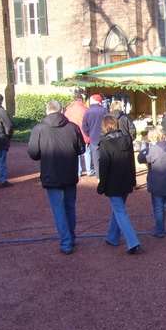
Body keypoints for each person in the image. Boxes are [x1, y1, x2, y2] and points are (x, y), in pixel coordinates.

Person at [27, 100, 85, 255]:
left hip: (50, 173)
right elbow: (81, 149)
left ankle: (66, 241)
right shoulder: (72, 127)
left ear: (47, 110)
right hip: (69, 173)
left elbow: (33, 153)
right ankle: (70, 238)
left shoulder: (39, 129)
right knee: (70, 207)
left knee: (59, 209)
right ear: (61, 110)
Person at [97, 115, 142, 255]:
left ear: (104, 127)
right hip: (126, 180)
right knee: (118, 209)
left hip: (113, 183)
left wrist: (101, 185)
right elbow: (131, 162)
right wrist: (133, 180)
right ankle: (112, 237)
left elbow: (104, 167)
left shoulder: (104, 143)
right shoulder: (127, 139)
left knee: (120, 211)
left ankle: (132, 241)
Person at [64, 90, 92, 176]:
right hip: (85, 134)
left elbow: (65, 121)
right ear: (81, 99)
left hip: (72, 134)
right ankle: (89, 170)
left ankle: (78, 171)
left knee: (76, 153)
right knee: (87, 152)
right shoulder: (86, 109)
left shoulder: (68, 109)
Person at [0, 93, 15, 181]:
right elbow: (8, 125)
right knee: (1, 159)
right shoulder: (1, 111)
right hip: (1, 137)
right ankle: (2, 179)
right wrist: (9, 136)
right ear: (1, 101)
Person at [82, 94, 107, 177]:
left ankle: (99, 176)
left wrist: (89, 134)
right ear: (99, 102)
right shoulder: (104, 110)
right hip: (104, 137)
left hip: (93, 138)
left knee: (96, 158)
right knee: (105, 156)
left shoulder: (87, 112)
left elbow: (84, 126)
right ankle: (106, 174)